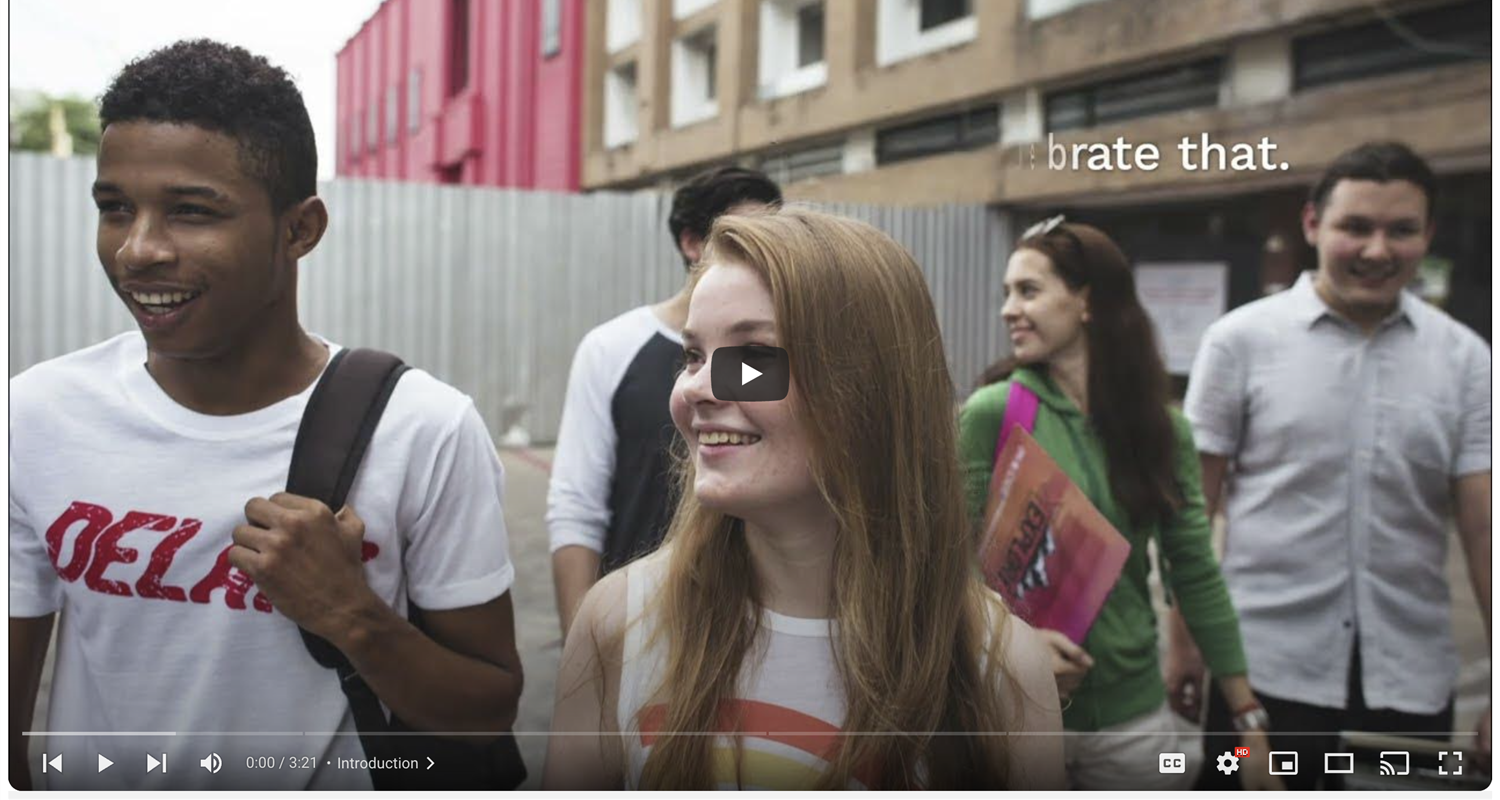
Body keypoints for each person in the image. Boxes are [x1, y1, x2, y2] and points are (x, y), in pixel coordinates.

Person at [8, 39, 522, 790]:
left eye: (191, 212)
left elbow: (487, 710)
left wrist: (352, 615)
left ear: (299, 230)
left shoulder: (423, 429)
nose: (138, 250)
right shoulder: (35, 415)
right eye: (115, 209)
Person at [541, 208, 1065, 789]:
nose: (695, 388)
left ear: (865, 384)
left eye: (753, 358)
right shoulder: (617, 622)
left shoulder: (1001, 666)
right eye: (692, 355)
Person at [1176, 141, 1491, 789]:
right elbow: (1191, 510)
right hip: (1258, 675)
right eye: (1356, 227)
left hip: (1408, 683)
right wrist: (1183, 642)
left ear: (1428, 235)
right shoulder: (1238, 342)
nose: (1378, 250)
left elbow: (1485, 529)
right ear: (1313, 224)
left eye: (1401, 230)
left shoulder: (1467, 360)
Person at [957, 218, 1280, 790]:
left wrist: (1245, 712)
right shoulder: (991, 414)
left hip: (1135, 718)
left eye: (1029, 291)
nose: (1009, 309)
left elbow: (1196, 571)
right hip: (1011, 713)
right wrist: (1009, 647)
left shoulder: (1163, 430)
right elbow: (947, 568)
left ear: (1088, 301)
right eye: (1007, 293)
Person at [546, 167, 781, 639]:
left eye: (773, 233)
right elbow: (577, 506)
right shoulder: (613, 348)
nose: (702, 389)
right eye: (744, 233)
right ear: (692, 243)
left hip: (755, 623)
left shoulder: (773, 356)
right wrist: (583, 647)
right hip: (642, 620)